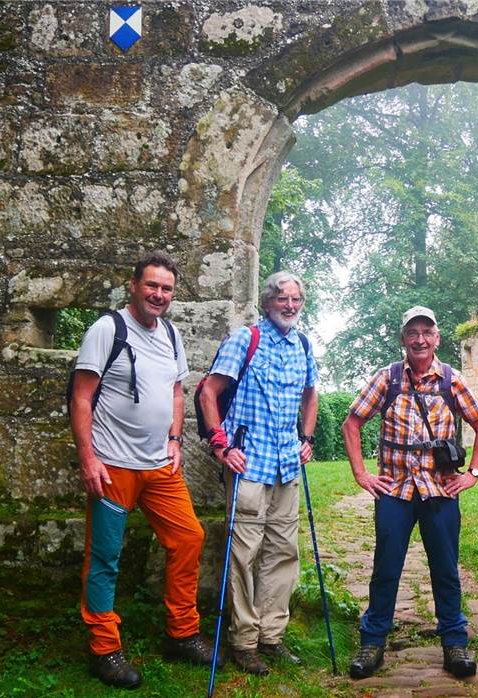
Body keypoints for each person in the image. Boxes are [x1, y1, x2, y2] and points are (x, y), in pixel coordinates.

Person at [70, 251, 220, 690]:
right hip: (113, 467)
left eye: (167, 288)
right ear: (133, 285)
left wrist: (174, 440)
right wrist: (88, 459)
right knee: (104, 557)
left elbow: (176, 392)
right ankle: (104, 649)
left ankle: (181, 633)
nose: (159, 294)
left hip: (160, 467)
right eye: (152, 285)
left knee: (189, 538)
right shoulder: (107, 329)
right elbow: (81, 398)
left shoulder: (170, 333)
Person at [341, 306, 478, 680]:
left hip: (440, 490)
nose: (420, 339)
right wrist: (361, 474)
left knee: (445, 569)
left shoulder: (451, 380)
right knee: (386, 568)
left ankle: (455, 643)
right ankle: (372, 641)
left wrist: (473, 472)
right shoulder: (387, 379)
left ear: (437, 338)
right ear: (403, 339)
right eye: (413, 332)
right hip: (394, 490)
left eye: (427, 332)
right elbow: (352, 422)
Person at [198, 271, 319, 676]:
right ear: (267, 302)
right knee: (245, 554)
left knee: (283, 552)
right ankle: (244, 641)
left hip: (287, 463)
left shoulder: (302, 344)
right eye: (283, 299)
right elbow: (208, 392)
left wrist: (308, 437)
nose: (290, 306)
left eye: (296, 300)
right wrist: (221, 445)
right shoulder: (244, 339)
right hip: (249, 461)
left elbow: (311, 392)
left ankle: (272, 635)